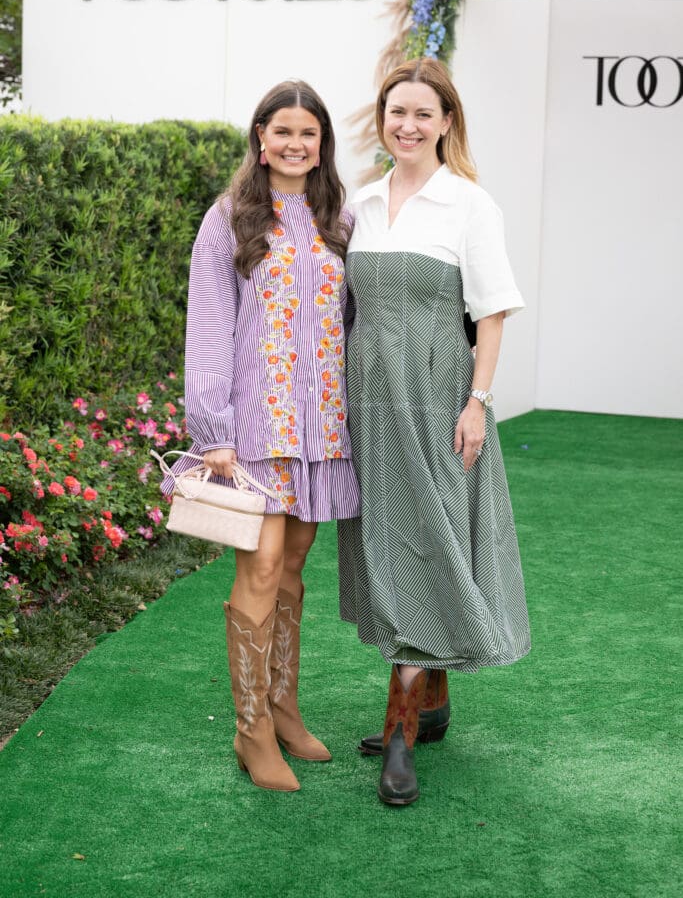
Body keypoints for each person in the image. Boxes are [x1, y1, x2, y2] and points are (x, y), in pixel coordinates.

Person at [338, 58, 530, 806]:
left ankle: (399, 733)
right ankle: (434, 702)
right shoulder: (359, 203)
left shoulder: (468, 205)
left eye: (423, 113)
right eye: (396, 113)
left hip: (436, 402)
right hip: (368, 407)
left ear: (446, 122)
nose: (408, 126)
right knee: (389, 542)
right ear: (381, 121)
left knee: (429, 542)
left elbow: (490, 312)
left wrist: (477, 401)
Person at [168, 80, 360, 793]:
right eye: (282, 130)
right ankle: (250, 731)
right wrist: (212, 428)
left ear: (320, 145)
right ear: (259, 136)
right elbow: (210, 326)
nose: (294, 144)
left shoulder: (337, 216)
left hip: (320, 425)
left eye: (307, 133)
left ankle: (284, 706)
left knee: (293, 565)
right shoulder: (229, 218)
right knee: (259, 564)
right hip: (253, 425)